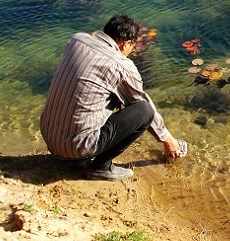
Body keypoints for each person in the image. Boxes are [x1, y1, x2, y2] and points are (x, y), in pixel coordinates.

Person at [40, 15, 186, 181]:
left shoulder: (76, 40)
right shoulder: (122, 66)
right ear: (126, 44)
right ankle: (100, 167)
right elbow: (141, 105)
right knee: (144, 110)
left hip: (49, 135)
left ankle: (83, 152)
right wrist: (168, 141)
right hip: (75, 148)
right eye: (133, 46)